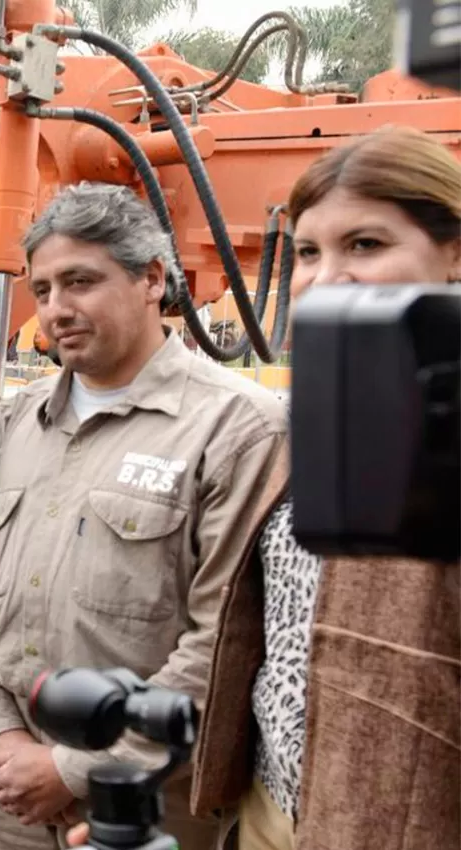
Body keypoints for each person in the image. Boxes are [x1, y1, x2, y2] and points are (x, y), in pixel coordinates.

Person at [0, 183, 287, 850]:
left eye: (81, 282)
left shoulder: (238, 428)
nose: (56, 309)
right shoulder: (19, 418)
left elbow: (222, 642)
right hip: (11, 791)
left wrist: (73, 769)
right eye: (43, 290)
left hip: (148, 799)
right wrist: (4, 737)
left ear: (152, 278)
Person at [191, 127, 460, 850]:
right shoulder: (309, 416)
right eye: (308, 252)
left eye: (366, 245)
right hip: (268, 807)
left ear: (453, 252)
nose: (324, 277)